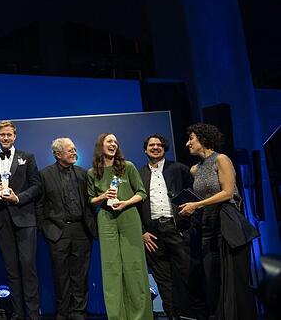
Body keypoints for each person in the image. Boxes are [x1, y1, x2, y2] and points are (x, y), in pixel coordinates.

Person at [178, 123, 257, 320]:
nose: (188, 143)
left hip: (227, 221)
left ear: (203, 139)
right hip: (207, 224)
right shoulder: (194, 169)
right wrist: (190, 207)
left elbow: (228, 192)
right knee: (213, 277)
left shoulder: (221, 159)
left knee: (233, 280)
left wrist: (196, 205)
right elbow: (200, 199)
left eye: (192, 139)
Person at [87, 133, 151, 320]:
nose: (113, 144)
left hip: (129, 216)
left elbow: (141, 192)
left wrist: (125, 203)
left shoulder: (127, 167)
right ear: (101, 146)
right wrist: (104, 196)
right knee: (111, 268)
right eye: (109, 141)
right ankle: (116, 316)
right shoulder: (92, 173)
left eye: (115, 142)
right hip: (106, 219)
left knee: (134, 266)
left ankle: (140, 316)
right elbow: (91, 200)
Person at [37, 138, 97, 320]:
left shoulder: (83, 173)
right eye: (70, 150)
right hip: (57, 232)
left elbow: (90, 202)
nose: (74, 152)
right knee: (60, 276)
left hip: (82, 230)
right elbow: (39, 205)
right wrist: (45, 229)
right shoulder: (45, 174)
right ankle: (62, 313)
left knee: (80, 275)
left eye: (75, 150)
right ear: (58, 154)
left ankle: (79, 312)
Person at [137, 134, 193, 320]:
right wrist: (143, 232)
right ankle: (172, 317)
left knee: (186, 276)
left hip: (177, 230)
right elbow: (135, 207)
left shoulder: (178, 168)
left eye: (159, 145)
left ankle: (189, 316)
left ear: (164, 148)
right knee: (163, 282)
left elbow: (194, 193)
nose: (155, 147)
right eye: (151, 145)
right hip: (153, 235)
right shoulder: (139, 174)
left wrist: (189, 220)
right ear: (145, 149)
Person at [0, 120, 42, 320]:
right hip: (3, 222)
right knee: (11, 270)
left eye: (9, 135)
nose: (5, 138)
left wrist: (18, 198)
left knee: (28, 267)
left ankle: (33, 315)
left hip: (25, 220)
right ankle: (19, 314)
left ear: (15, 136)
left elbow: (37, 186)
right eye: (2, 135)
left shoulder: (27, 158)